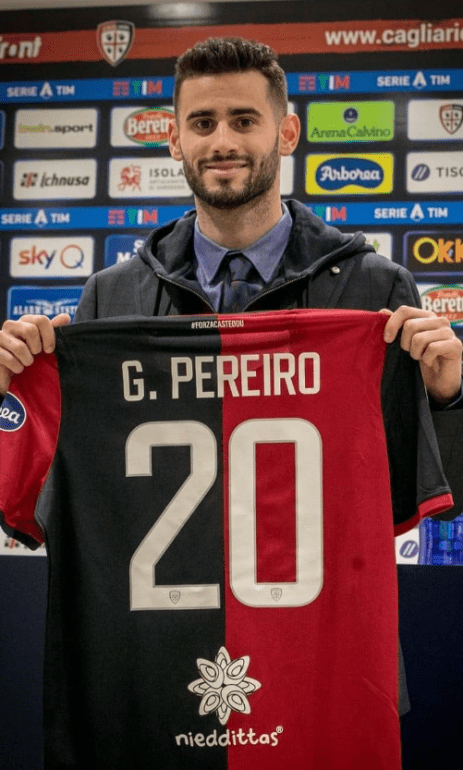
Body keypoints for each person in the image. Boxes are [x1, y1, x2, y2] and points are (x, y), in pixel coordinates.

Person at [0, 36, 462, 720]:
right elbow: (67, 503)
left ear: (286, 131)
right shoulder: (111, 296)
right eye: (202, 123)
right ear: (174, 142)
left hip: (323, 653)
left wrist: (446, 398)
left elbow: (420, 493)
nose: (222, 141)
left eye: (244, 120)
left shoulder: (374, 286)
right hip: (156, 659)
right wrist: (17, 394)